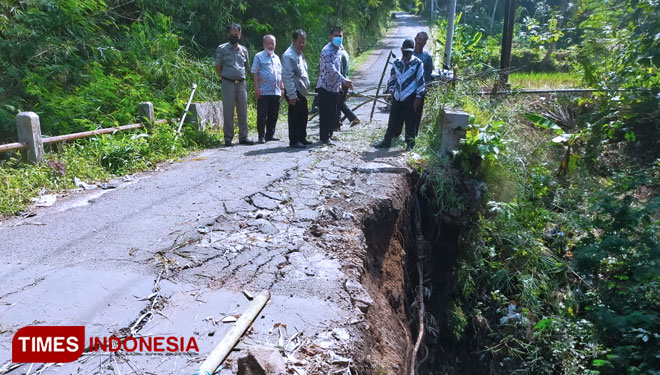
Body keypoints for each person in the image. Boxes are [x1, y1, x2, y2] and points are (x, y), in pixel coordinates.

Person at [374, 39, 425, 151]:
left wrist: (418, 97)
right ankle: (387, 141)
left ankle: (410, 144)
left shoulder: (417, 63)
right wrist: (392, 90)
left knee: (410, 121)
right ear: (401, 50)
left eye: (409, 52)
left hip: (410, 96)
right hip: (397, 95)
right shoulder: (396, 63)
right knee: (392, 119)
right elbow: (392, 78)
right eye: (405, 51)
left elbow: (420, 81)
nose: (407, 54)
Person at [215, 23, 255, 146]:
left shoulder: (244, 50)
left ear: (240, 35)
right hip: (228, 83)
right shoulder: (222, 49)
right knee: (228, 111)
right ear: (228, 34)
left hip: (241, 84)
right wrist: (225, 77)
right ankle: (228, 138)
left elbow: (247, 67)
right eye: (232, 34)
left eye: (236, 34)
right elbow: (218, 67)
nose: (234, 36)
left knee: (242, 111)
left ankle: (243, 137)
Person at [316, 26, 353, 145]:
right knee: (325, 113)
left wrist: (340, 84)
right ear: (331, 37)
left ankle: (329, 135)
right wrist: (344, 80)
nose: (338, 38)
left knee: (333, 112)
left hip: (334, 87)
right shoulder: (327, 50)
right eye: (336, 35)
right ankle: (324, 137)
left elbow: (339, 68)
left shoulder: (338, 50)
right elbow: (331, 69)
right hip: (325, 86)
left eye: (340, 36)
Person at [282, 29, 311, 149]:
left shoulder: (299, 54)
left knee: (303, 115)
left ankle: (302, 138)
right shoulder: (289, 55)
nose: (302, 45)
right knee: (295, 116)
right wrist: (292, 95)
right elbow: (287, 77)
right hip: (294, 90)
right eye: (300, 42)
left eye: (304, 42)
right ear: (294, 41)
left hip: (302, 90)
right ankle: (294, 140)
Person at [251, 34, 283, 144]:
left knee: (274, 114)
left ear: (275, 45)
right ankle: (261, 136)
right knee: (262, 114)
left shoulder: (277, 58)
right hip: (263, 91)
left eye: (272, 43)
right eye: (268, 43)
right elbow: (255, 73)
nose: (270, 46)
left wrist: (282, 88)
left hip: (276, 91)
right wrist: (256, 88)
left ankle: (270, 135)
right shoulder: (258, 56)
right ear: (264, 44)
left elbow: (280, 74)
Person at [412, 31, 434, 137]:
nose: (421, 42)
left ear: (426, 42)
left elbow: (428, 74)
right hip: (408, 88)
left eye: (424, 40)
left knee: (417, 112)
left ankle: (414, 134)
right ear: (415, 39)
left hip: (420, 89)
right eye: (420, 39)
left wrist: (427, 88)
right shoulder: (409, 54)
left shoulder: (427, 57)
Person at [337, 47, 361, 129]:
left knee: (338, 103)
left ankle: (353, 118)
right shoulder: (345, 53)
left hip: (342, 82)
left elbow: (340, 70)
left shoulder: (339, 54)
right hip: (345, 81)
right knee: (339, 103)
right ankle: (339, 122)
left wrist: (340, 83)